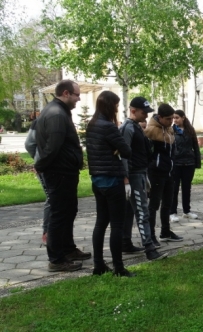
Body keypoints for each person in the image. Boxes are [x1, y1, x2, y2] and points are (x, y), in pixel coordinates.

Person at [34, 80, 90, 272]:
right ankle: (57, 259)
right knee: (59, 214)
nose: (79, 98)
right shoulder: (56, 114)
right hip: (59, 173)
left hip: (64, 171)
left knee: (68, 211)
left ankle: (67, 249)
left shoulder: (57, 111)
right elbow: (53, 146)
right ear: (66, 93)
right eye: (76, 94)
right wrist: (40, 165)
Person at [86, 91, 135, 277]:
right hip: (113, 180)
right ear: (109, 106)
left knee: (100, 223)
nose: (117, 108)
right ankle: (119, 268)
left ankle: (98, 265)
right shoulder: (109, 126)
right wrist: (117, 149)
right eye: (115, 105)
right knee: (117, 224)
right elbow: (127, 151)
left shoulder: (92, 125)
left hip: (97, 180)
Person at [120, 97, 168, 260]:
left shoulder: (135, 127)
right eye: (143, 113)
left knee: (131, 211)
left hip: (139, 173)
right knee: (142, 212)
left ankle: (126, 242)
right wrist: (126, 178)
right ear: (133, 111)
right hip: (133, 175)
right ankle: (149, 248)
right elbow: (124, 155)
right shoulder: (128, 128)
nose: (146, 116)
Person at [144, 103, 183, 245]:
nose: (171, 121)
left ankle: (165, 231)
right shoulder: (151, 131)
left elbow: (172, 151)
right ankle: (151, 235)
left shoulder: (170, 129)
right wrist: (152, 167)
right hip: (156, 173)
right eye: (168, 119)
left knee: (168, 203)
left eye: (172, 118)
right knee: (153, 205)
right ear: (159, 117)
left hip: (169, 172)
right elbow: (147, 153)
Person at [169, 110, 201, 222]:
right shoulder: (171, 130)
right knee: (174, 188)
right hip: (176, 163)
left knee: (187, 188)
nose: (175, 120)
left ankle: (186, 211)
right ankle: (172, 212)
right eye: (174, 118)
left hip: (189, 163)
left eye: (177, 117)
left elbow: (196, 147)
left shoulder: (190, 130)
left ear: (183, 118)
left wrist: (197, 162)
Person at [25, 118, 50, 247]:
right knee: (51, 199)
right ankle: (47, 232)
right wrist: (39, 160)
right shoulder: (41, 120)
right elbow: (29, 143)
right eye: (76, 95)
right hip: (45, 167)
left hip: (58, 168)